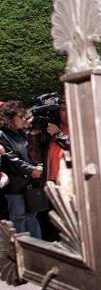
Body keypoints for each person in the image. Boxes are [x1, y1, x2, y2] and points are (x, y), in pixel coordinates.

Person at [0, 101, 43, 238]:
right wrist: (32, 170)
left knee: (32, 217)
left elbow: (33, 152)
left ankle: (38, 249)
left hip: (30, 183)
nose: (24, 119)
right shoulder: (2, 135)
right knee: (18, 218)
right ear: (9, 119)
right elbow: (11, 159)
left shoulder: (23, 132)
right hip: (15, 184)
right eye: (20, 117)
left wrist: (39, 166)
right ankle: (21, 253)